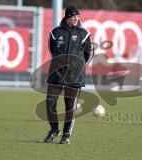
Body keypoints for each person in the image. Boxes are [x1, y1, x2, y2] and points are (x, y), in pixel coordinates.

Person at [44, 6, 93, 144]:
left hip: (74, 77)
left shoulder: (85, 34)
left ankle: (66, 135)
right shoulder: (55, 32)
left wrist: (79, 68)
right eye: (73, 16)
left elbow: (89, 54)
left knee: (70, 107)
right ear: (67, 17)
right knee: (50, 102)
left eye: (77, 16)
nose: (76, 19)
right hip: (56, 74)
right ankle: (54, 130)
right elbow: (52, 51)